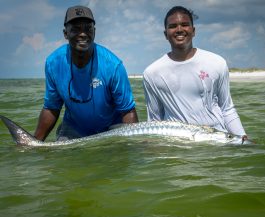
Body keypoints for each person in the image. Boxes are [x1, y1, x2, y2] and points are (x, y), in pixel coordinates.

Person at [143, 6, 247, 140]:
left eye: (185, 25)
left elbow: (227, 108)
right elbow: (154, 120)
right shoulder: (152, 72)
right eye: (173, 26)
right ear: (165, 34)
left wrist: (243, 138)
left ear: (193, 31)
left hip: (217, 140)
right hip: (177, 144)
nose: (179, 29)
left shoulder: (217, 62)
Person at [34, 5, 138, 141]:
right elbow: (51, 108)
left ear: (94, 32)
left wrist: (134, 146)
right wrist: (34, 143)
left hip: (111, 130)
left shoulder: (113, 65)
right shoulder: (53, 63)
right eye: (75, 29)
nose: (82, 34)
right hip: (74, 128)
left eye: (88, 29)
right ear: (65, 33)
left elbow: (128, 111)